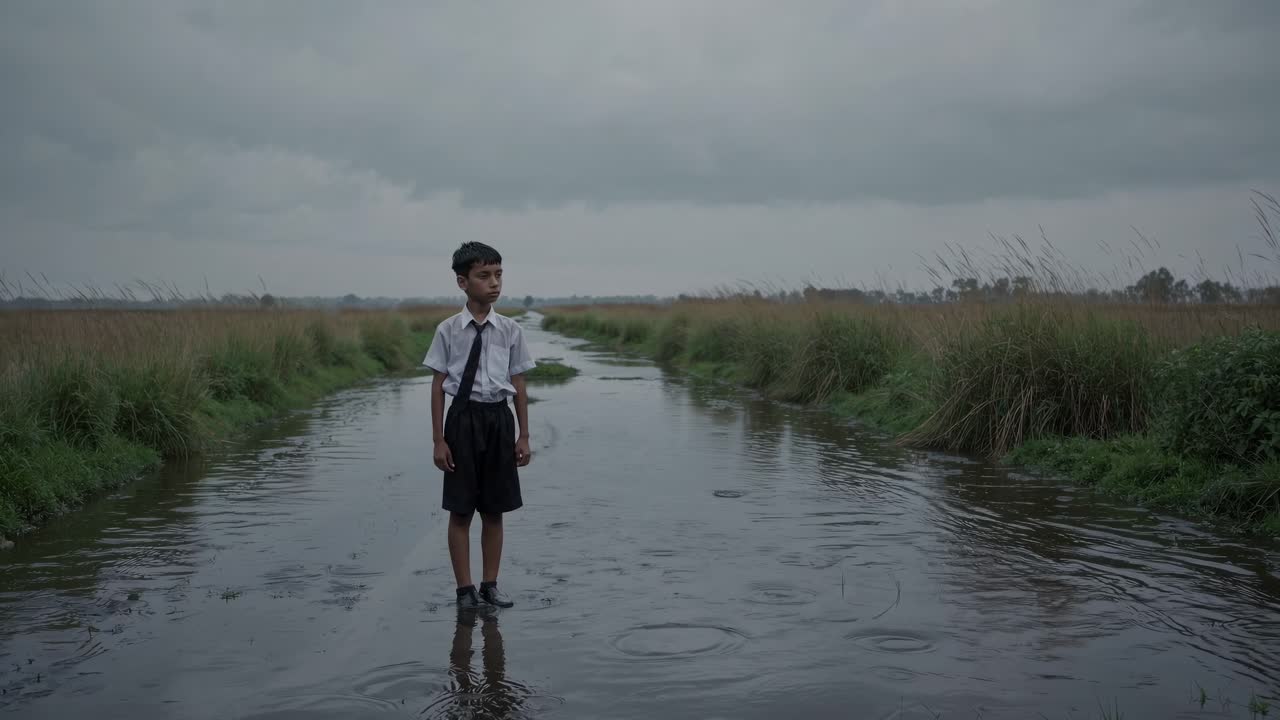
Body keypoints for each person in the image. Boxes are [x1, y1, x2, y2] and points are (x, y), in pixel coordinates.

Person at [423, 242, 535, 609]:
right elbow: (439, 386)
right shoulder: (448, 330)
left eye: (498, 275)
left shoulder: (510, 330)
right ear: (462, 281)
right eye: (484, 276)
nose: (494, 283)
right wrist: (439, 439)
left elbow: (517, 383)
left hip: (498, 419)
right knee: (460, 510)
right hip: (463, 418)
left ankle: (490, 585)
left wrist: (523, 434)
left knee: (494, 509)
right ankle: (464, 591)